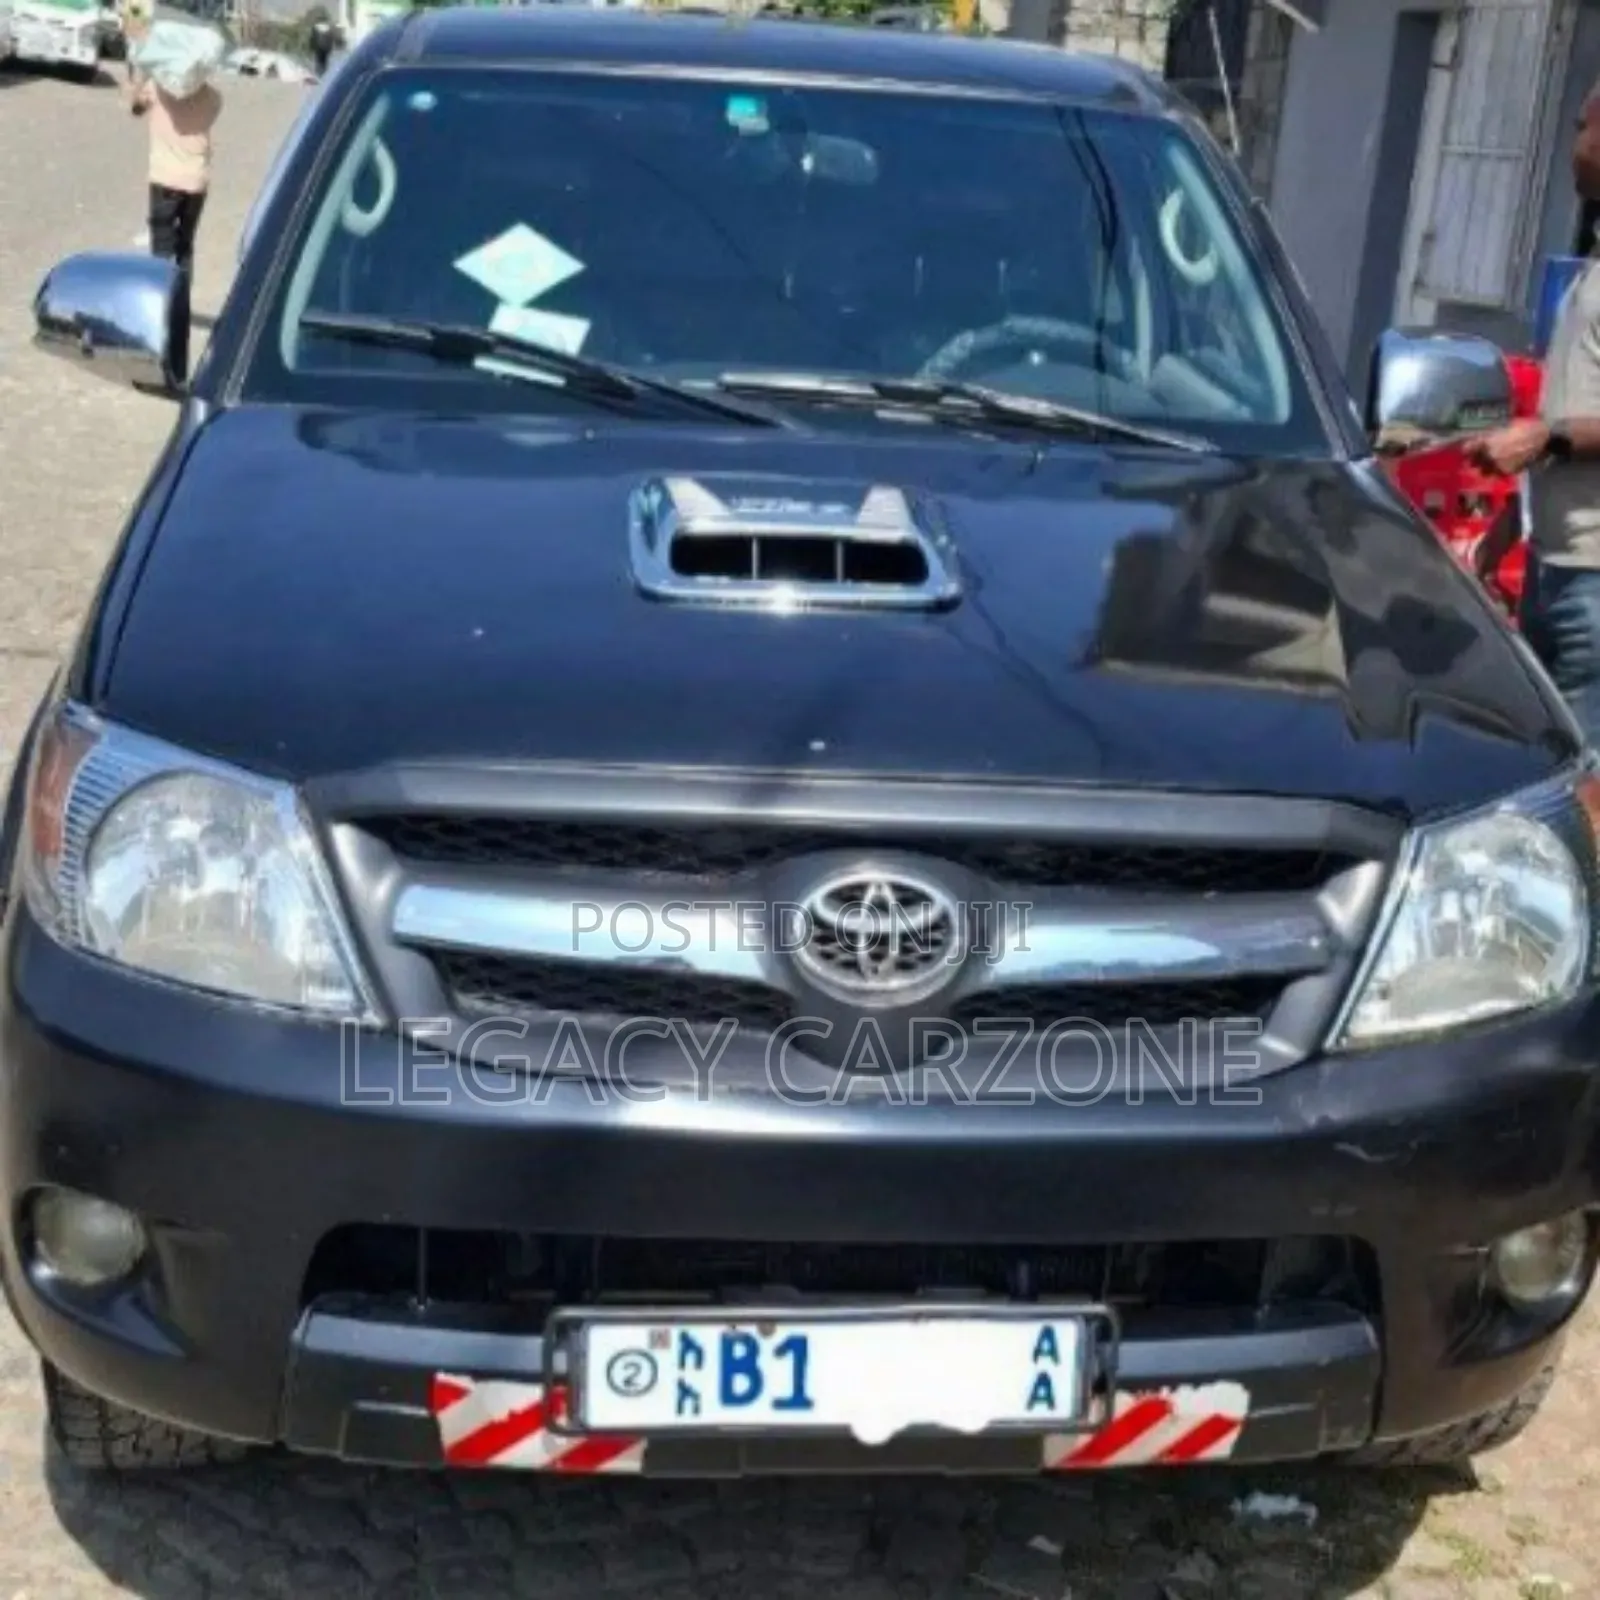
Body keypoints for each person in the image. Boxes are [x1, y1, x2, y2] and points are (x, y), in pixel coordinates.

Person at [1468, 80, 1600, 740]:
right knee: (1545, 773)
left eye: (1583, 126)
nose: (1573, 145)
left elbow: (1556, 425)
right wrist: (1509, 527)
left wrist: (1543, 438)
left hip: (1594, 585)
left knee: (1580, 792)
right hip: (1557, 564)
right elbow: (1572, 398)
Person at [127, 70, 223, 281]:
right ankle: (180, 306)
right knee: (185, 246)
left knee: (161, 250)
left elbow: (136, 109)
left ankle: (159, 304)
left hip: (165, 177)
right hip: (197, 180)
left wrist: (138, 82)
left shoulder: (157, 89)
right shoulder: (214, 98)